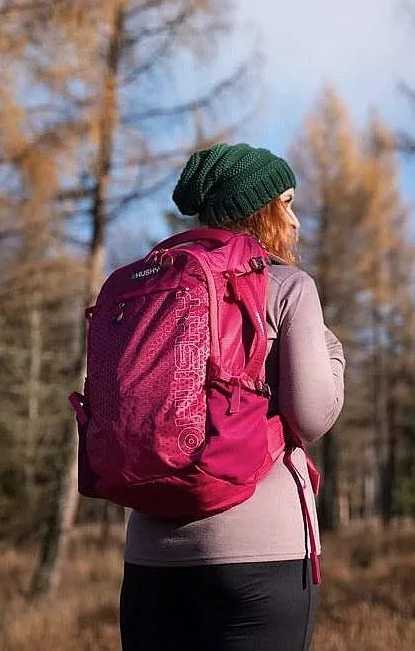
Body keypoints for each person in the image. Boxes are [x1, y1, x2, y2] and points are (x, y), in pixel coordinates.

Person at [119, 143, 345, 651]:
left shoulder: (148, 285)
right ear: (258, 210)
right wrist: (334, 355)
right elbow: (310, 416)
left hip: (150, 552)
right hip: (260, 552)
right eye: (285, 203)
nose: (295, 222)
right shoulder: (287, 285)